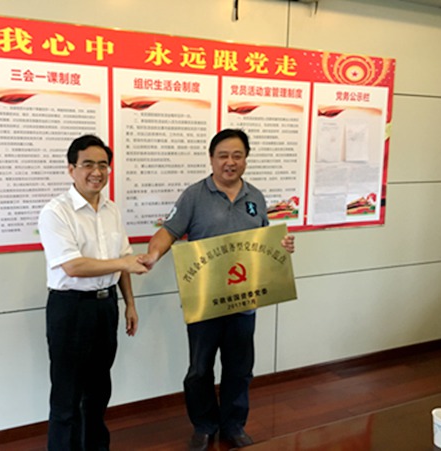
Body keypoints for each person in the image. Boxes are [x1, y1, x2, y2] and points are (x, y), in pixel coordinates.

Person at [139, 129, 295, 450]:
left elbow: (264, 240)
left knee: (240, 368)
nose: (230, 162)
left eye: (237, 155)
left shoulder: (255, 197)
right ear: (211, 159)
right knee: (200, 370)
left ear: (246, 159)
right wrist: (152, 255)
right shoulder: (194, 196)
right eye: (223, 155)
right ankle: (204, 425)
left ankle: (234, 426)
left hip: (244, 300)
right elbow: (168, 231)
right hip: (204, 302)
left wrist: (282, 246)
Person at [38, 134, 148, 451]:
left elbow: (124, 259)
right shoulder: (56, 212)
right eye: (88, 164)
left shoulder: (111, 209)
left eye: (103, 165)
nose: (96, 172)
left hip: (105, 306)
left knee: (99, 390)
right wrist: (123, 263)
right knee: (67, 395)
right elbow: (73, 266)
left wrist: (129, 304)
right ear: (71, 169)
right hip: (71, 308)